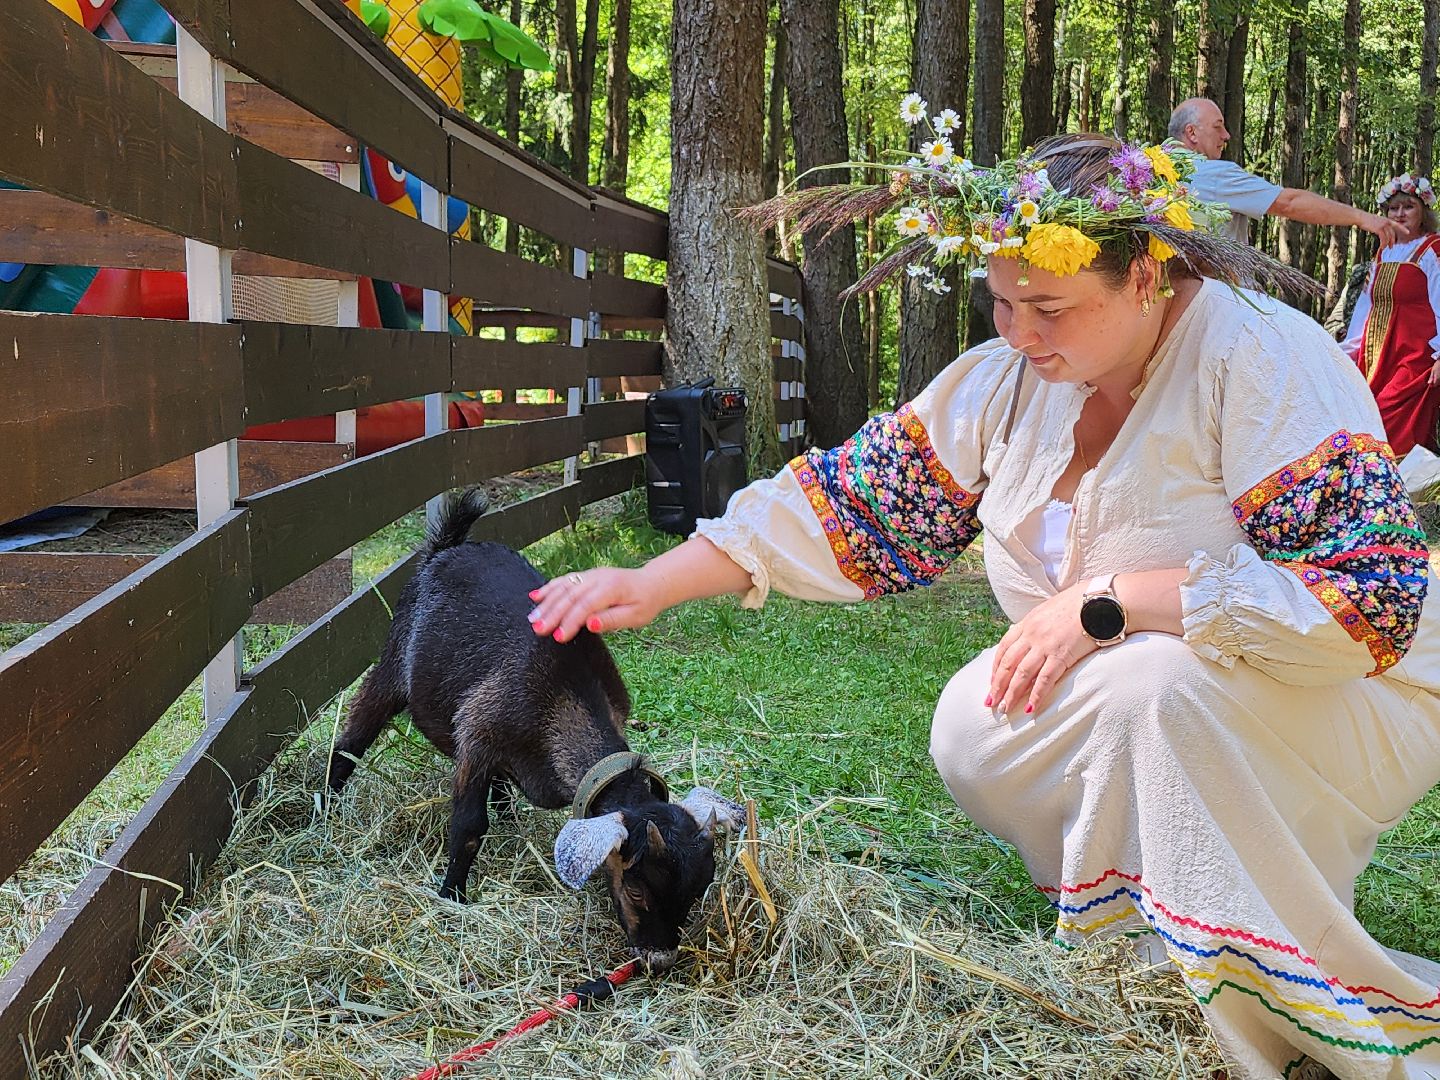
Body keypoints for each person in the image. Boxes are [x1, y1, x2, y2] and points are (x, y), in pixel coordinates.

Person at [529, 132, 1440, 1079]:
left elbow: (1368, 601)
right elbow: (857, 501)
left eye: (1048, 306)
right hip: (1167, 697)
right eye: (1001, 302)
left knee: (1151, 686)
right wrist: (651, 581)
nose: (1018, 332)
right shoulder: (1015, 383)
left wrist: (1112, 600)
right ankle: (1145, 930)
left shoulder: (1261, 356)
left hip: (1349, 693)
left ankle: (1235, 993)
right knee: (975, 721)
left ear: (1146, 277)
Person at [1169, 98, 1404, 250]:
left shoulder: (1143, 171)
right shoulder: (1214, 175)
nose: (1226, 135)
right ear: (1192, 133)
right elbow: (1289, 203)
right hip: (1218, 302)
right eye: (1217, 126)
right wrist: (1363, 218)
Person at [1342, 174, 1440, 457]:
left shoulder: (1432, 250)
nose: (1400, 214)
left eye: (1408, 206)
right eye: (1393, 209)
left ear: (1423, 211)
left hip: (1415, 358)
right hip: (1376, 357)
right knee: (1362, 415)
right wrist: (1347, 352)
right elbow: (1366, 307)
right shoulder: (1384, 251)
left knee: (1390, 418)